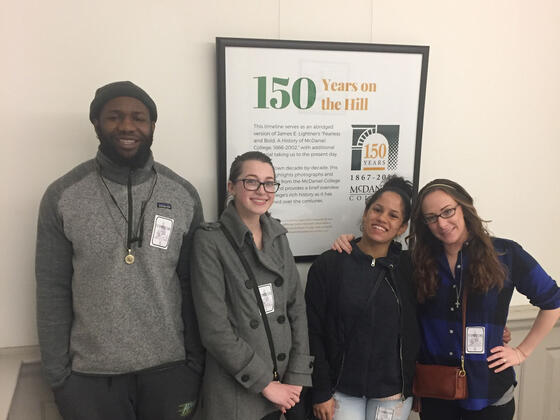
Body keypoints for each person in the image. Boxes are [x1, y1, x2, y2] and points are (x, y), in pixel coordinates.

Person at [35, 81, 204, 420]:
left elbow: (194, 285)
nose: (127, 126)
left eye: (138, 118)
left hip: (170, 372)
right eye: (114, 116)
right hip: (89, 380)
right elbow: (51, 288)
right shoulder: (63, 195)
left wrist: (194, 363)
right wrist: (59, 377)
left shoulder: (183, 194)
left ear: (152, 126)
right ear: (96, 123)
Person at [409, 178, 560, 419]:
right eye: (431, 217)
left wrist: (521, 352)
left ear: (464, 207)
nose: (442, 223)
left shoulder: (505, 254)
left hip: (489, 392)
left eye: (448, 211)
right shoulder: (418, 262)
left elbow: (554, 303)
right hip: (436, 391)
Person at [190, 151, 313, 420]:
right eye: (251, 181)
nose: (262, 190)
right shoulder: (210, 241)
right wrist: (266, 385)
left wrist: (297, 376)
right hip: (238, 389)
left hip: (284, 384)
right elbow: (215, 330)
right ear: (232, 187)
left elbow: (296, 308)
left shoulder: (278, 236)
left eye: (269, 183)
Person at [306, 176, 420, 420]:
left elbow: (428, 319)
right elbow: (313, 332)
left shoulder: (410, 268)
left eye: (393, 215)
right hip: (340, 390)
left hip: (392, 393)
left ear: (402, 227)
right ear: (366, 213)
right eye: (377, 210)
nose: (382, 218)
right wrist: (321, 390)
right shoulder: (330, 264)